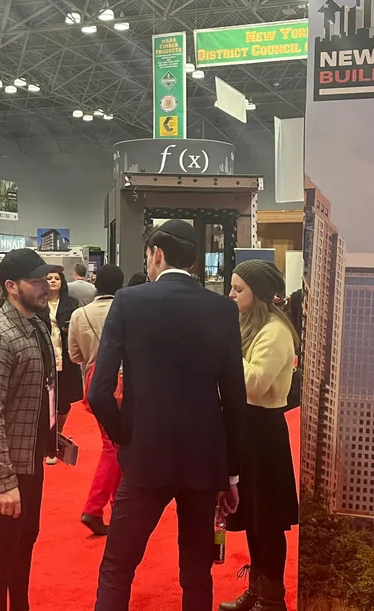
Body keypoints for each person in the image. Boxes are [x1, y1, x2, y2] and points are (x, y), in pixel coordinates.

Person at [89, 219, 248, 611]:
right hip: (203, 460)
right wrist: (231, 474)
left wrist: (125, 435)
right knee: (197, 573)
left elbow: (99, 391)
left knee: (118, 567)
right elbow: (234, 399)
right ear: (194, 261)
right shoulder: (223, 309)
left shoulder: (128, 301)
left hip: (145, 455)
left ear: (156, 255)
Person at [0, 249, 59, 611]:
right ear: (11, 286)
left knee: (24, 541)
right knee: (1, 547)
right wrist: (3, 482)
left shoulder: (36, 323)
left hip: (29, 454)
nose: (45, 287)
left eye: (46, 279)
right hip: (4, 462)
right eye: (36, 281)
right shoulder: (0, 337)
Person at [220, 260, 299, 611]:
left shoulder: (275, 331)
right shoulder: (249, 325)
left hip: (263, 434)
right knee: (253, 519)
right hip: (246, 429)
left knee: (265, 521)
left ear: (259, 294)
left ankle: (272, 599)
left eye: (239, 289)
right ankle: (257, 593)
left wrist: (223, 352)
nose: (231, 294)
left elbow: (254, 384)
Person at [67, 264, 125, 536]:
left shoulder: (80, 315)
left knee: (114, 444)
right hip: (124, 380)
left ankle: (116, 505)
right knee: (115, 446)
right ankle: (95, 506)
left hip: (95, 378)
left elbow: (74, 355)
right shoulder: (127, 310)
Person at [43, 268, 82, 464]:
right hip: (43, 355)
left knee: (63, 400)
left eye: (56, 278)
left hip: (65, 355)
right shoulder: (37, 303)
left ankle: (58, 434)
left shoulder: (71, 304)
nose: (53, 281)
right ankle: (48, 442)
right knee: (44, 400)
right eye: (49, 278)